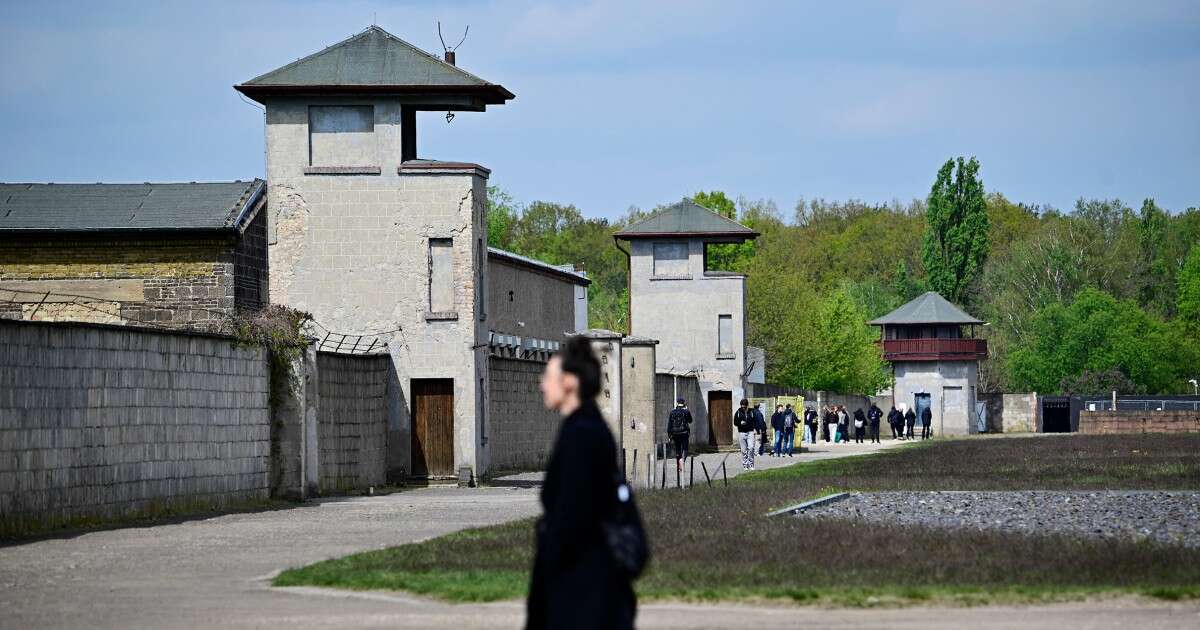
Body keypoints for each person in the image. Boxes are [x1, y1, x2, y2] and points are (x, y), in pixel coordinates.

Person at [528, 336, 637, 630]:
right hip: (585, 588)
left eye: (549, 376)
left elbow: (573, 517)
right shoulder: (583, 427)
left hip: (583, 593)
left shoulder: (582, 434)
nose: (542, 383)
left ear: (570, 383)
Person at [666, 398, 693, 473]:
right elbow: (690, 421)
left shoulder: (672, 412)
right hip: (684, 433)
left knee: (678, 449)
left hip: (675, 434)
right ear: (684, 403)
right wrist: (687, 410)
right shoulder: (686, 411)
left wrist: (669, 435)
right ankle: (683, 461)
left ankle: (679, 464)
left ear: (677, 403)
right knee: (685, 448)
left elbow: (669, 425)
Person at [733, 399, 757, 470]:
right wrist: (740, 423)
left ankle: (751, 464)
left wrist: (756, 429)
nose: (743, 408)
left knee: (751, 448)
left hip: (750, 432)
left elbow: (755, 421)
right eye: (742, 407)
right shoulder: (738, 412)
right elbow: (735, 422)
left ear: (747, 406)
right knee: (743, 450)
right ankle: (745, 465)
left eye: (744, 407)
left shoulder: (751, 412)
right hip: (742, 433)